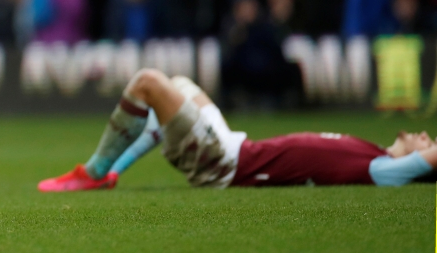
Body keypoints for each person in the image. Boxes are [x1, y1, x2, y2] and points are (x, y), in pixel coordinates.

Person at [38, 68, 436, 191]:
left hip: (225, 164)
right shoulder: (371, 152)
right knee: (179, 85)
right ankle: (112, 172)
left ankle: (92, 173)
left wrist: (426, 158)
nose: (426, 137)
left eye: (429, 143)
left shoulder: (382, 170)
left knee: (147, 83)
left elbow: (426, 160)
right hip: (232, 145)